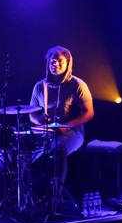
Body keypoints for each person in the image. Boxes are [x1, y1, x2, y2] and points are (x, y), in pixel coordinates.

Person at [29, 45, 94, 187]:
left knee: (58, 148)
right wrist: (39, 120)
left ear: (68, 63)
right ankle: (22, 191)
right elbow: (31, 114)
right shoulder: (40, 86)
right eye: (53, 61)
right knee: (21, 150)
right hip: (46, 132)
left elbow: (89, 113)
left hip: (72, 132)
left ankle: (57, 194)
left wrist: (67, 126)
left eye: (60, 61)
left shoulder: (78, 85)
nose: (56, 64)